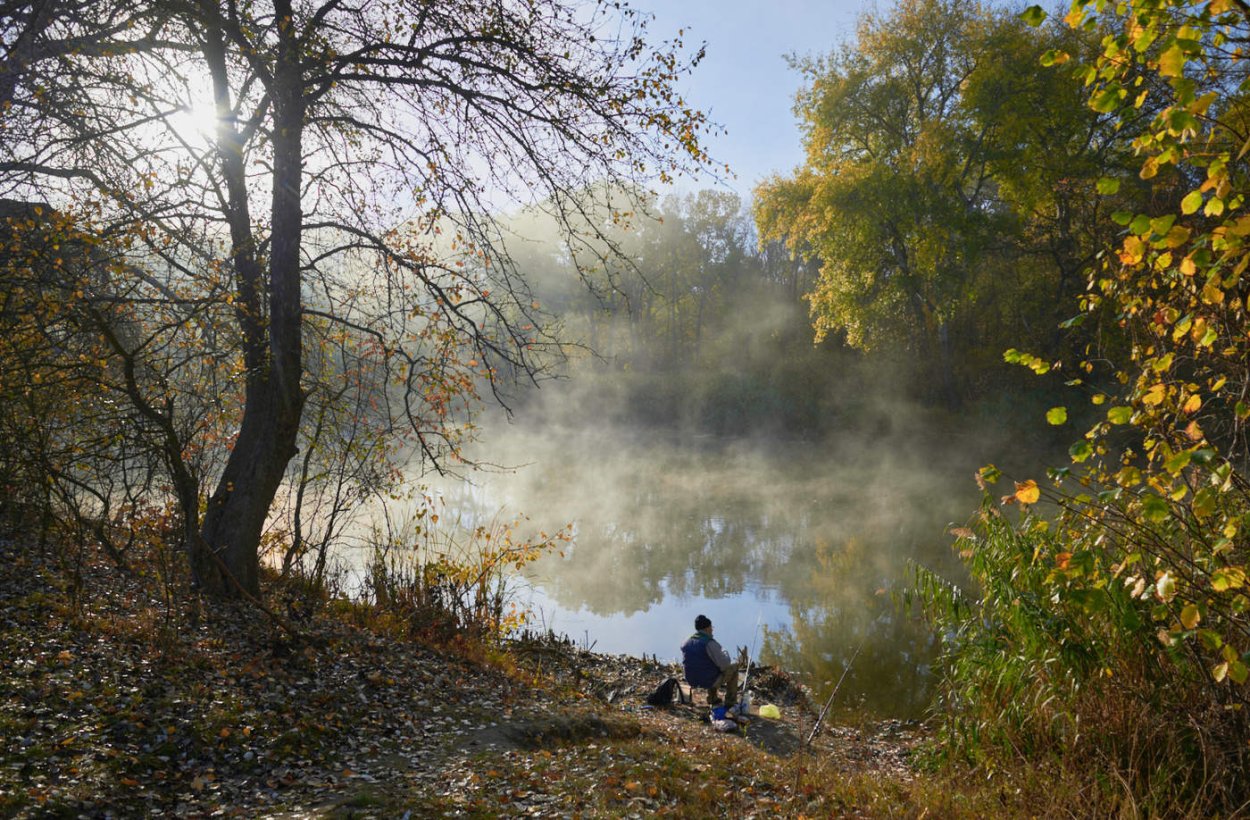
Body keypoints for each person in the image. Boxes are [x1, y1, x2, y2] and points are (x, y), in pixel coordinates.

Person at [681, 614, 739, 706]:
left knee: (708, 664)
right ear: (707, 628)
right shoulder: (709, 643)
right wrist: (725, 652)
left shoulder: (686, 642)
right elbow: (725, 665)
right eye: (711, 627)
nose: (712, 630)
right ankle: (730, 702)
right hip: (707, 681)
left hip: (691, 680)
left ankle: (713, 698)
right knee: (734, 668)